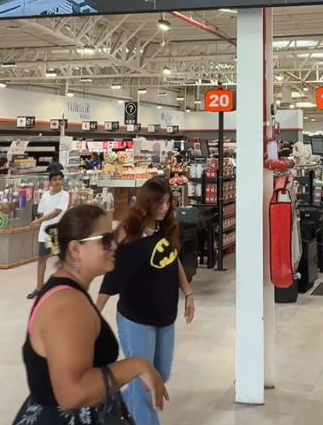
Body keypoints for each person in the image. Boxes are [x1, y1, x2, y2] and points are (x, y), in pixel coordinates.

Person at [18, 205, 168, 425]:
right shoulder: (67, 305)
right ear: (75, 250)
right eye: (105, 240)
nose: (114, 245)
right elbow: (73, 393)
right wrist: (136, 365)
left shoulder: (69, 293)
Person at [95, 177, 193, 425]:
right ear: (146, 202)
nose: (164, 208)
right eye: (159, 203)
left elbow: (172, 259)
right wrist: (93, 315)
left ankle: (120, 408)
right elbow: (111, 278)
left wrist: (188, 292)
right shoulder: (128, 234)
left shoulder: (165, 228)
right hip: (136, 319)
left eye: (167, 202)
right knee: (144, 382)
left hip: (165, 316)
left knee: (161, 374)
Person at [31, 166, 72, 299]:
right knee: (41, 259)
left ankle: (62, 286)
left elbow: (56, 212)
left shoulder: (65, 195)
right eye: (54, 180)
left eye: (59, 179)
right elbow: (43, 211)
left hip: (55, 231)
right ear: (50, 182)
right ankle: (39, 287)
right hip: (44, 232)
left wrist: (39, 221)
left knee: (61, 260)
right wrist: (40, 222)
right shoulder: (45, 195)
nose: (57, 182)